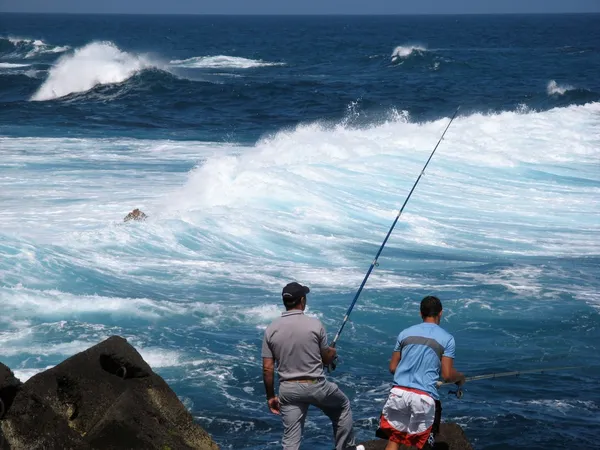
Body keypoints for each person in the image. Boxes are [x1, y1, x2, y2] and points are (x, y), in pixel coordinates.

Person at [261, 282, 359, 450]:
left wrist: (270, 396)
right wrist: (332, 353)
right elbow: (326, 359)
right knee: (343, 407)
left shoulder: (271, 329)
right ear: (302, 300)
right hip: (316, 385)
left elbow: (267, 368)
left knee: (291, 441)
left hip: (288, 389)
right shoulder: (315, 325)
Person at [376, 295, 465, 450]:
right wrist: (460, 378)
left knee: (395, 438)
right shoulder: (447, 339)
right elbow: (447, 375)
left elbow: (392, 367)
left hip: (398, 394)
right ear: (441, 313)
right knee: (424, 444)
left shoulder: (405, 333)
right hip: (424, 398)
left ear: (420, 313)